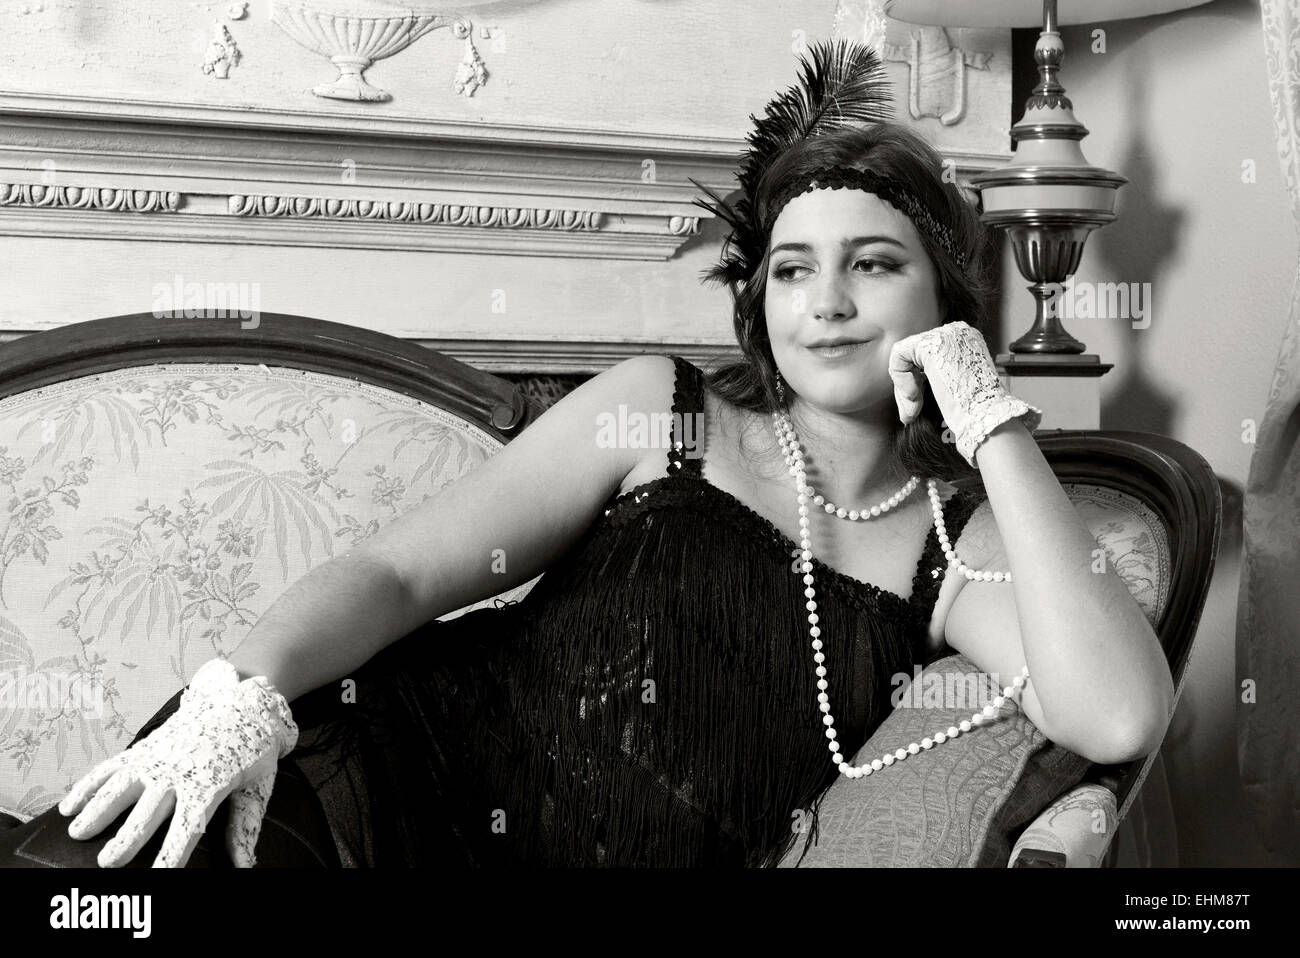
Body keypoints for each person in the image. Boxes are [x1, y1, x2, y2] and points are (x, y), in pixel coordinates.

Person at [18, 40, 1173, 869]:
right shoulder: (660, 412)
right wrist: (240, 701)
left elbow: (1116, 715)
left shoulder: (948, 545)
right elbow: (401, 575)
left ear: (945, 297)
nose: (823, 301)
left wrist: (987, 416)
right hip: (368, 780)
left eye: (872, 263)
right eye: (788, 267)